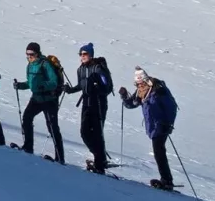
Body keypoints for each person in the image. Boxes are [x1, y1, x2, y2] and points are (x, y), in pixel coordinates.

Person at [120, 67, 179, 190]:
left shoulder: (159, 90)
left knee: (158, 151)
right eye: (137, 84)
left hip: (161, 125)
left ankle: (167, 180)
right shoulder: (141, 92)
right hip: (153, 126)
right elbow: (131, 104)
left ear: (146, 80)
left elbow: (171, 107)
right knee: (159, 151)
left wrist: (168, 124)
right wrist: (124, 96)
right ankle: (166, 179)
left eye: (141, 83)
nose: (139, 85)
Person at [62, 42, 114, 172]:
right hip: (86, 103)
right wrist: (70, 90)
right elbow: (81, 85)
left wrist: (98, 89)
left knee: (97, 133)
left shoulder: (98, 68)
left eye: (84, 54)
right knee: (84, 132)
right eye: (81, 54)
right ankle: (99, 157)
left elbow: (107, 87)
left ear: (90, 55)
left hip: (98, 103)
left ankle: (100, 163)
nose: (82, 56)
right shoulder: (80, 69)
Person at [13, 43, 65, 162]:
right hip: (36, 98)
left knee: (52, 127)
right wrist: (20, 85)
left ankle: (60, 157)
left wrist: (43, 86)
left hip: (49, 100)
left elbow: (54, 82)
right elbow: (31, 83)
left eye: (31, 54)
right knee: (26, 118)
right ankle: (28, 147)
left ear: (37, 53)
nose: (29, 57)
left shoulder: (45, 64)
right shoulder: (30, 66)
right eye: (27, 54)